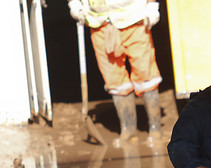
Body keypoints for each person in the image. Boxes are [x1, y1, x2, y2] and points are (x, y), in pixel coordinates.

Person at [68, 0, 163, 143]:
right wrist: (74, 3)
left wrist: (151, 5)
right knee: (114, 79)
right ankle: (128, 131)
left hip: (134, 19)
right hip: (100, 23)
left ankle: (155, 128)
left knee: (145, 74)